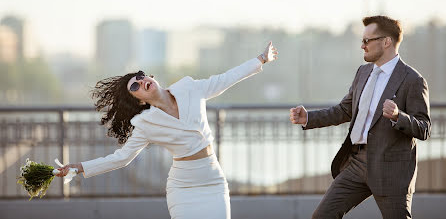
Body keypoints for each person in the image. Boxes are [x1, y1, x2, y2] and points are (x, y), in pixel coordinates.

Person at [56, 41, 278, 219]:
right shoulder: (145, 123)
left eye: (141, 76)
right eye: (135, 86)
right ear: (138, 101)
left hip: (213, 181)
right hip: (183, 189)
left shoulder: (189, 87)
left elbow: (225, 79)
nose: (141, 82)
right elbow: (122, 158)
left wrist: (261, 59)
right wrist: (80, 167)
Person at [289, 16, 431, 219]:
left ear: (386, 42)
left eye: (367, 40)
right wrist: (308, 118)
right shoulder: (363, 73)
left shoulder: (413, 80)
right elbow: (344, 110)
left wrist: (399, 116)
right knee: (322, 216)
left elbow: (424, 128)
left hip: (391, 169)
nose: (362, 46)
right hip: (356, 164)